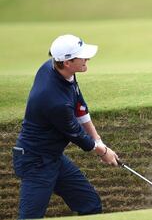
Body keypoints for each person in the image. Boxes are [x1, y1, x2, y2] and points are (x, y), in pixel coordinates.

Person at [12, 34, 119, 219]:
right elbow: (76, 134)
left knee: (90, 204)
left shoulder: (55, 68)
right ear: (68, 62)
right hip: (35, 161)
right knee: (30, 217)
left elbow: (80, 106)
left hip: (53, 157)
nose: (88, 58)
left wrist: (99, 140)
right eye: (82, 56)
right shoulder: (54, 100)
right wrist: (102, 152)